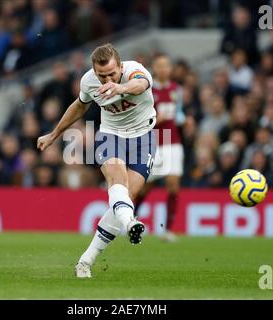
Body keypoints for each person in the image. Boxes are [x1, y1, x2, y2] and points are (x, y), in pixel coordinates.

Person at [37, 43, 156, 278]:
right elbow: (79, 106)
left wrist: (119, 87)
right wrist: (53, 134)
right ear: (94, 70)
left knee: (124, 199)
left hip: (145, 138)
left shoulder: (135, 71)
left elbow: (140, 85)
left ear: (120, 66)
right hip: (111, 134)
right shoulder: (89, 81)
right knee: (117, 181)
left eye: (111, 73)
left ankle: (85, 261)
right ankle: (131, 224)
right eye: (102, 75)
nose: (106, 79)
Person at [133, 53, 185, 242]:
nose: (164, 68)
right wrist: (155, 120)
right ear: (154, 68)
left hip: (173, 143)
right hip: (154, 143)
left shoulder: (176, 89)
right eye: (160, 65)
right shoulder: (146, 89)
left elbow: (179, 114)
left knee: (173, 185)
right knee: (145, 188)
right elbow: (138, 118)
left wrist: (184, 120)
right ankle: (131, 221)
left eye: (166, 65)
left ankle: (168, 230)